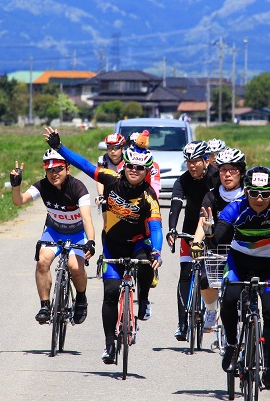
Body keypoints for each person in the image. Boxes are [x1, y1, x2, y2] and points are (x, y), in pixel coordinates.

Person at [42, 126, 163, 364]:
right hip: (112, 244)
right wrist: (59, 147)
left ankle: (145, 299)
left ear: (146, 170)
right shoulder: (111, 178)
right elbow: (85, 165)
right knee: (110, 293)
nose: (134, 171)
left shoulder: (149, 196)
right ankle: (109, 344)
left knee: (148, 263)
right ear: (125, 166)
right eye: (130, 166)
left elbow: (157, 228)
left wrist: (157, 251)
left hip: (138, 243)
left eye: (140, 168)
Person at [201, 165, 270, 390]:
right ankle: (232, 345)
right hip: (239, 262)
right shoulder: (235, 208)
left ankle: (269, 369)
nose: (259, 199)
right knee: (230, 299)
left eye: (265, 194)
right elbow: (219, 240)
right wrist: (210, 232)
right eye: (253, 193)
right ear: (246, 191)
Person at [10, 149, 96, 326]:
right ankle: (45, 306)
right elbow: (19, 201)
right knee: (42, 261)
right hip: (54, 231)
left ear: (67, 169)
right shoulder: (42, 185)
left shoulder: (78, 187)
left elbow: (87, 218)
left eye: (58, 169)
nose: (54, 174)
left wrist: (91, 242)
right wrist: (15, 185)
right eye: (49, 170)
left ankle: (80, 299)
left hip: (77, 233)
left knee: (74, 266)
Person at [166, 140, 219, 341]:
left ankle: (212, 309)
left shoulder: (216, 178)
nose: (191, 165)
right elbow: (176, 204)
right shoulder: (183, 180)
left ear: (206, 160)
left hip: (212, 232)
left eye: (195, 161)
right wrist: (172, 228)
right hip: (190, 231)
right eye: (188, 161)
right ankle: (182, 324)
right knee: (186, 274)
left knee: (209, 277)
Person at [191, 148, 248, 331]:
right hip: (216, 248)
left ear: (241, 172)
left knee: (246, 293)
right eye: (223, 170)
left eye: (233, 170)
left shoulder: (249, 196)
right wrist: (197, 242)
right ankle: (211, 310)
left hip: (243, 249)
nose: (227, 174)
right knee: (205, 281)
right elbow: (203, 221)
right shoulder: (212, 195)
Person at [96, 133, 126, 222]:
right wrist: (100, 195)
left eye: (116, 148)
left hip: (123, 193)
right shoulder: (103, 160)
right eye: (109, 148)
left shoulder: (127, 160)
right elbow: (99, 179)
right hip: (107, 193)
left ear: (122, 149)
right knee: (107, 223)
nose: (112, 151)